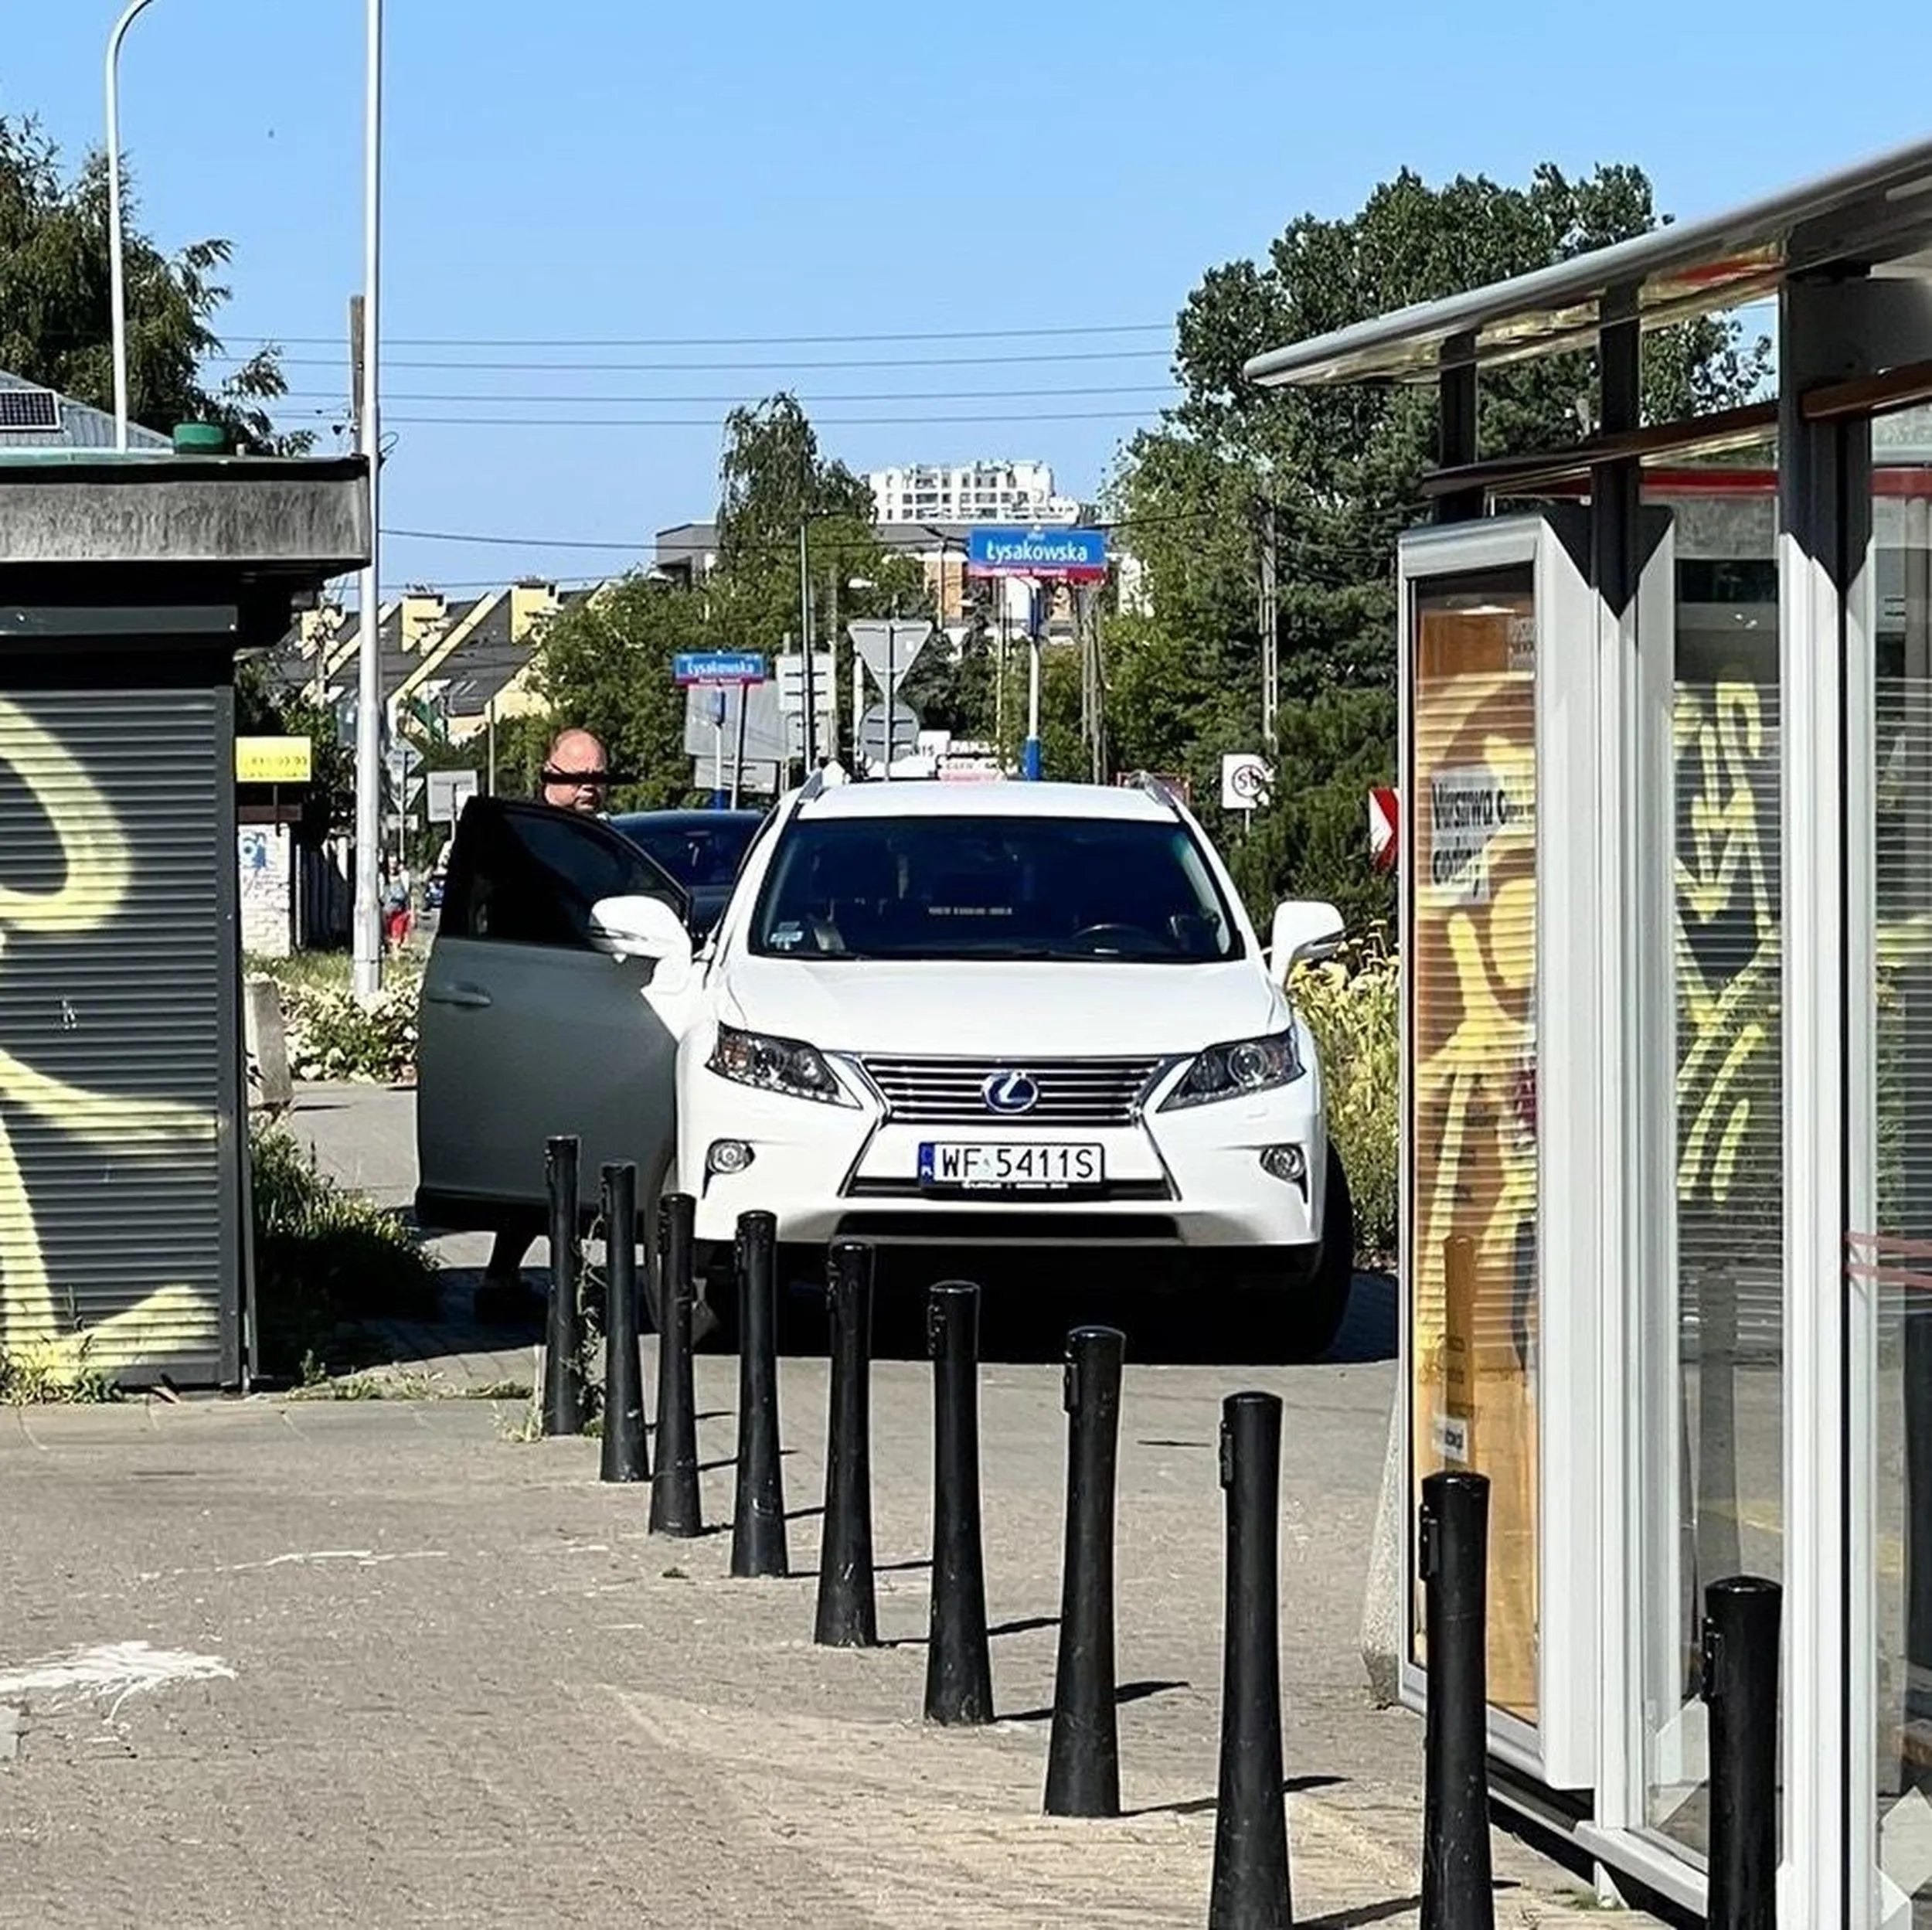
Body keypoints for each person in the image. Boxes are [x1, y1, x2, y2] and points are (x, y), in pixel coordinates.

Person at [473, 725, 614, 1322]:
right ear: (548, 775)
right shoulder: (526, 843)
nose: (588, 787)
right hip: (533, 1015)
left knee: (566, 1146)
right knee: (552, 1147)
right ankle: (518, 1275)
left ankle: (525, 1273)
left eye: (597, 776)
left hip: (583, 1017)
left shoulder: (598, 842)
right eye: (575, 776)